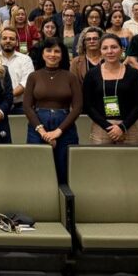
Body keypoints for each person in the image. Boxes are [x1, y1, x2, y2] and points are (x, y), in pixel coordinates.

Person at [24, 39, 82, 183]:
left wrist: (58, 131)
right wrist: (42, 131)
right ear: (42, 54)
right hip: (38, 126)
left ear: (62, 55)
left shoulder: (70, 77)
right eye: (49, 50)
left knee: (64, 169)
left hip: (65, 126)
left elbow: (78, 107)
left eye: (57, 51)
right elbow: (27, 106)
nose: (53, 54)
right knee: (38, 169)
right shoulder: (33, 76)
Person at [83, 33, 138, 145]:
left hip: (128, 127)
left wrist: (122, 127)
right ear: (100, 51)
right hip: (101, 128)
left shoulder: (133, 73)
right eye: (105, 48)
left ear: (121, 50)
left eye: (114, 47)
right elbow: (88, 105)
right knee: (101, 157)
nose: (110, 51)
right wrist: (107, 126)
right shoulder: (91, 74)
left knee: (129, 157)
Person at [0, 28, 34, 114]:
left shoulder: (26, 59)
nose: (8, 41)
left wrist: (8, 97)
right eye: (4, 38)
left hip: (20, 106)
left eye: (12, 39)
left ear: (17, 42)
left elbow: (26, 82)